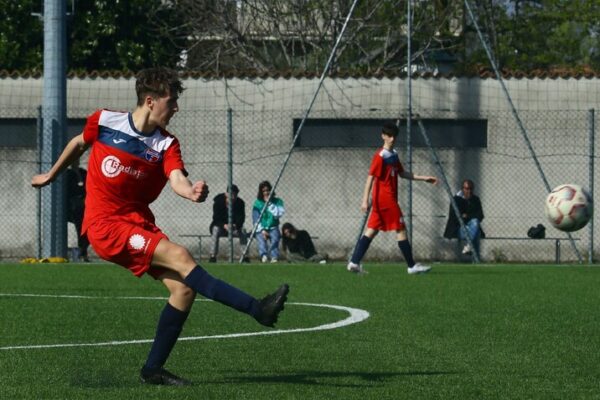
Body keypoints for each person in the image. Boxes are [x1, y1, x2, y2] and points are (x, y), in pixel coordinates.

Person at [31, 67, 289, 386]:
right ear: (150, 101)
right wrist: (51, 174)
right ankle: (257, 309)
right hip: (105, 226)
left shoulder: (166, 144)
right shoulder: (104, 121)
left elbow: (176, 177)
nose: (177, 108)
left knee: (183, 289)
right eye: (172, 101)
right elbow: (78, 143)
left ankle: (153, 369)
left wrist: (190, 191)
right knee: (181, 256)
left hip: (139, 225)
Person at [347, 121, 438, 275]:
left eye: (394, 136)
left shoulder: (393, 155)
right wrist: (364, 200)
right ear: (383, 136)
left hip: (381, 201)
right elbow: (370, 178)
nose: (392, 139)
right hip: (385, 200)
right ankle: (411, 266)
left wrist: (424, 178)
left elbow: (402, 174)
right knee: (401, 229)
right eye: (389, 136)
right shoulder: (380, 156)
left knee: (372, 231)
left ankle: (354, 262)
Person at [208, 184, 249, 263]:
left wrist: (235, 225)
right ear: (226, 194)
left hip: (234, 228)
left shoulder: (240, 203)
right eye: (231, 194)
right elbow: (216, 218)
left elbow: (241, 218)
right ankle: (213, 256)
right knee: (215, 230)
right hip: (221, 227)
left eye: (235, 195)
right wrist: (224, 225)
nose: (233, 197)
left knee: (243, 231)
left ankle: (245, 256)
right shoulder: (218, 202)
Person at [443, 179, 485, 256]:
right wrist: (470, 215)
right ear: (462, 189)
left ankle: (469, 246)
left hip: (472, 227)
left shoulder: (475, 199)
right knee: (476, 232)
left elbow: (480, 215)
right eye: (466, 188)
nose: (469, 191)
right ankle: (476, 259)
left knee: (475, 222)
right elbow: (455, 216)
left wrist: (467, 216)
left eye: (470, 189)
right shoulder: (456, 199)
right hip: (459, 228)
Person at [252, 181, 285, 263]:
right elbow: (255, 218)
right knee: (261, 239)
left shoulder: (278, 201)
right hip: (261, 228)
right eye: (264, 191)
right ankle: (264, 256)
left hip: (273, 226)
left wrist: (269, 204)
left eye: (268, 190)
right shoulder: (257, 203)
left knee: (275, 238)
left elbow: (278, 214)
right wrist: (262, 230)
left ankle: (274, 257)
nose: (266, 193)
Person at [65, 158, 90, 262]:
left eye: (76, 160)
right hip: (72, 207)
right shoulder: (67, 174)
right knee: (80, 227)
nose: (75, 162)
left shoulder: (83, 173)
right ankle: (81, 251)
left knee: (88, 228)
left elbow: (89, 187)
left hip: (84, 205)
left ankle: (83, 250)